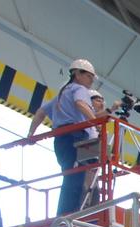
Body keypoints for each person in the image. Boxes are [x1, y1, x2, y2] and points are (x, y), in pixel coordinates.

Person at [27, 59, 100, 216]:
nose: (91, 80)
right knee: (76, 175)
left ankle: (65, 213)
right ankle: (69, 215)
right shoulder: (79, 90)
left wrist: (31, 134)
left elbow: (41, 112)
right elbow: (81, 104)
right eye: (89, 76)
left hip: (61, 139)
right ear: (77, 74)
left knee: (70, 174)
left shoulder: (62, 94)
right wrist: (95, 122)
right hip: (75, 136)